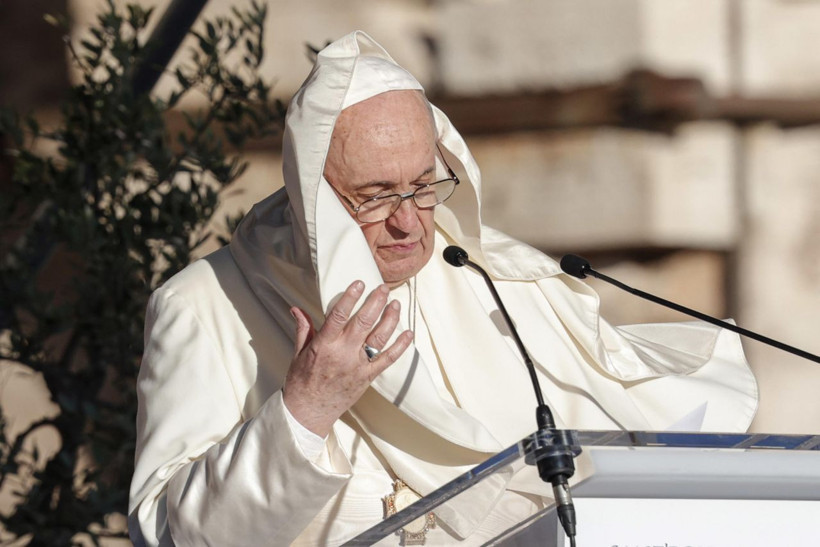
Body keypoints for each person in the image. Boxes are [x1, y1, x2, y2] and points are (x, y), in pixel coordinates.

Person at [128, 31, 758, 546]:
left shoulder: (497, 277)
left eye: (423, 187)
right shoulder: (203, 305)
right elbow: (168, 535)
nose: (408, 221)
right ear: (311, 197)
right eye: (375, 197)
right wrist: (306, 409)